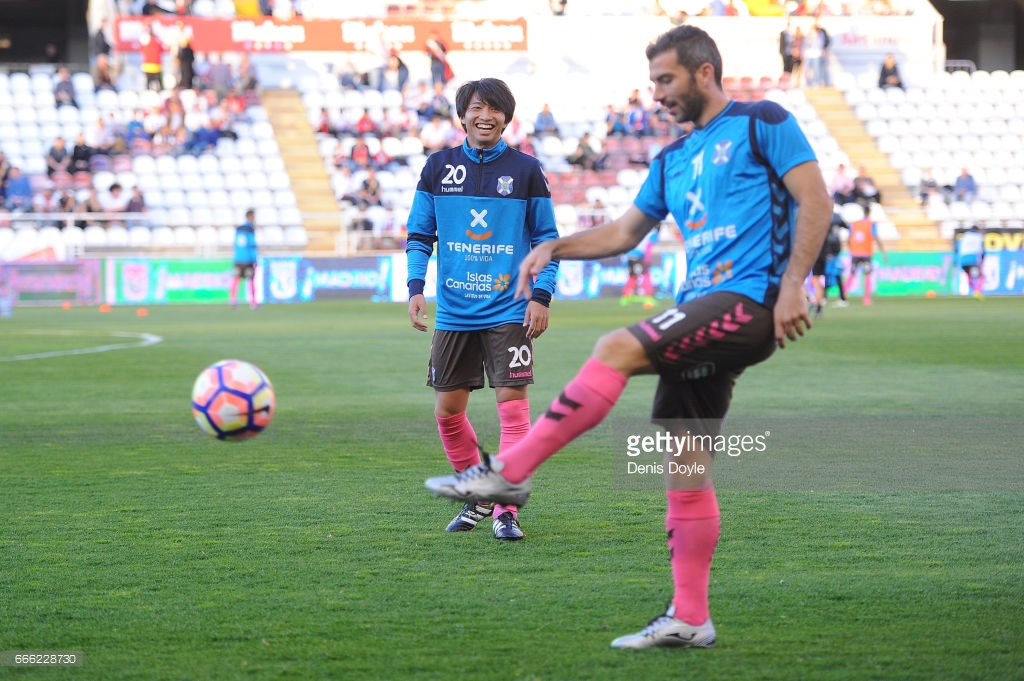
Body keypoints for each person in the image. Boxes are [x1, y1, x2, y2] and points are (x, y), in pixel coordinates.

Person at [424, 25, 832, 647]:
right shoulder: (671, 159)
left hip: (747, 301)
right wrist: (554, 245)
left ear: (702, 71)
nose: (658, 95)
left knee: (614, 347)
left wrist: (796, 284)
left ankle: (508, 473)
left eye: (666, 81)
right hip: (700, 308)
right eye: (652, 84)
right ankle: (691, 617)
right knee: (684, 465)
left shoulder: (762, 122)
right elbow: (621, 234)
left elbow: (815, 199)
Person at [406, 77, 561, 542]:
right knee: (448, 412)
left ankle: (506, 510)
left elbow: (546, 240)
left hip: (510, 310)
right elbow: (419, 234)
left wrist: (541, 295)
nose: (485, 116)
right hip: (454, 312)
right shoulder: (438, 168)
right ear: (463, 115)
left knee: (513, 410)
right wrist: (416, 287)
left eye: (494, 109)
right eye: (477, 108)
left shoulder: (528, 170)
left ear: (506, 116)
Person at [843, 205, 887, 305]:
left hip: (855, 253)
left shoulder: (854, 224)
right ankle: (866, 298)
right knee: (867, 275)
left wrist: (850, 248)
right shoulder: (871, 224)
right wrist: (883, 252)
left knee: (852, 273)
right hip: (866, 253)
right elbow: (876, 238)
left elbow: (849, 238)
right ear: (869, 213)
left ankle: (843, 294)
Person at [810, 209, 848, 317]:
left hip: (817, 255)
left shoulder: (813, 224)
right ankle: (820, 304)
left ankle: (816, 303)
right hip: (827, 255)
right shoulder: (827, 224)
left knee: (817, 280)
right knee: (826, 278)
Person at [620, 224, 659, 308]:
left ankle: (626, 296)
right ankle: (647, 296)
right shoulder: (653, 232)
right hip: (638, 256)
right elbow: (649, 246)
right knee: (644, 275)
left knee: (633, 276)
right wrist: (647, 259)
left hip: (630, 254)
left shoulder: (642, 228)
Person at [230, 209, 259, 309]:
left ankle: (233, 300)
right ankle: (253, 302)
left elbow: (235, 245)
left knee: (236, 279)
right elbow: (252, 245)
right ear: (250, 217)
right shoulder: (250, 229)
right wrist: (255, 260)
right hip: (248, 260)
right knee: (251, 280)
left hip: (238, 259)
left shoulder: (239, 229)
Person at [954, 224, 985, 299]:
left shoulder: (964, 236)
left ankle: (973, 291)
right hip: (973, 259)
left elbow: (957, 247)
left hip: (963, 259)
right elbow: (982, 250)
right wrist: (982, 260)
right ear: (977, 230)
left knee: (969, 276)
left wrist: (956, 260)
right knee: (980, 276)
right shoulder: (979, 237)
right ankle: (977, 292)